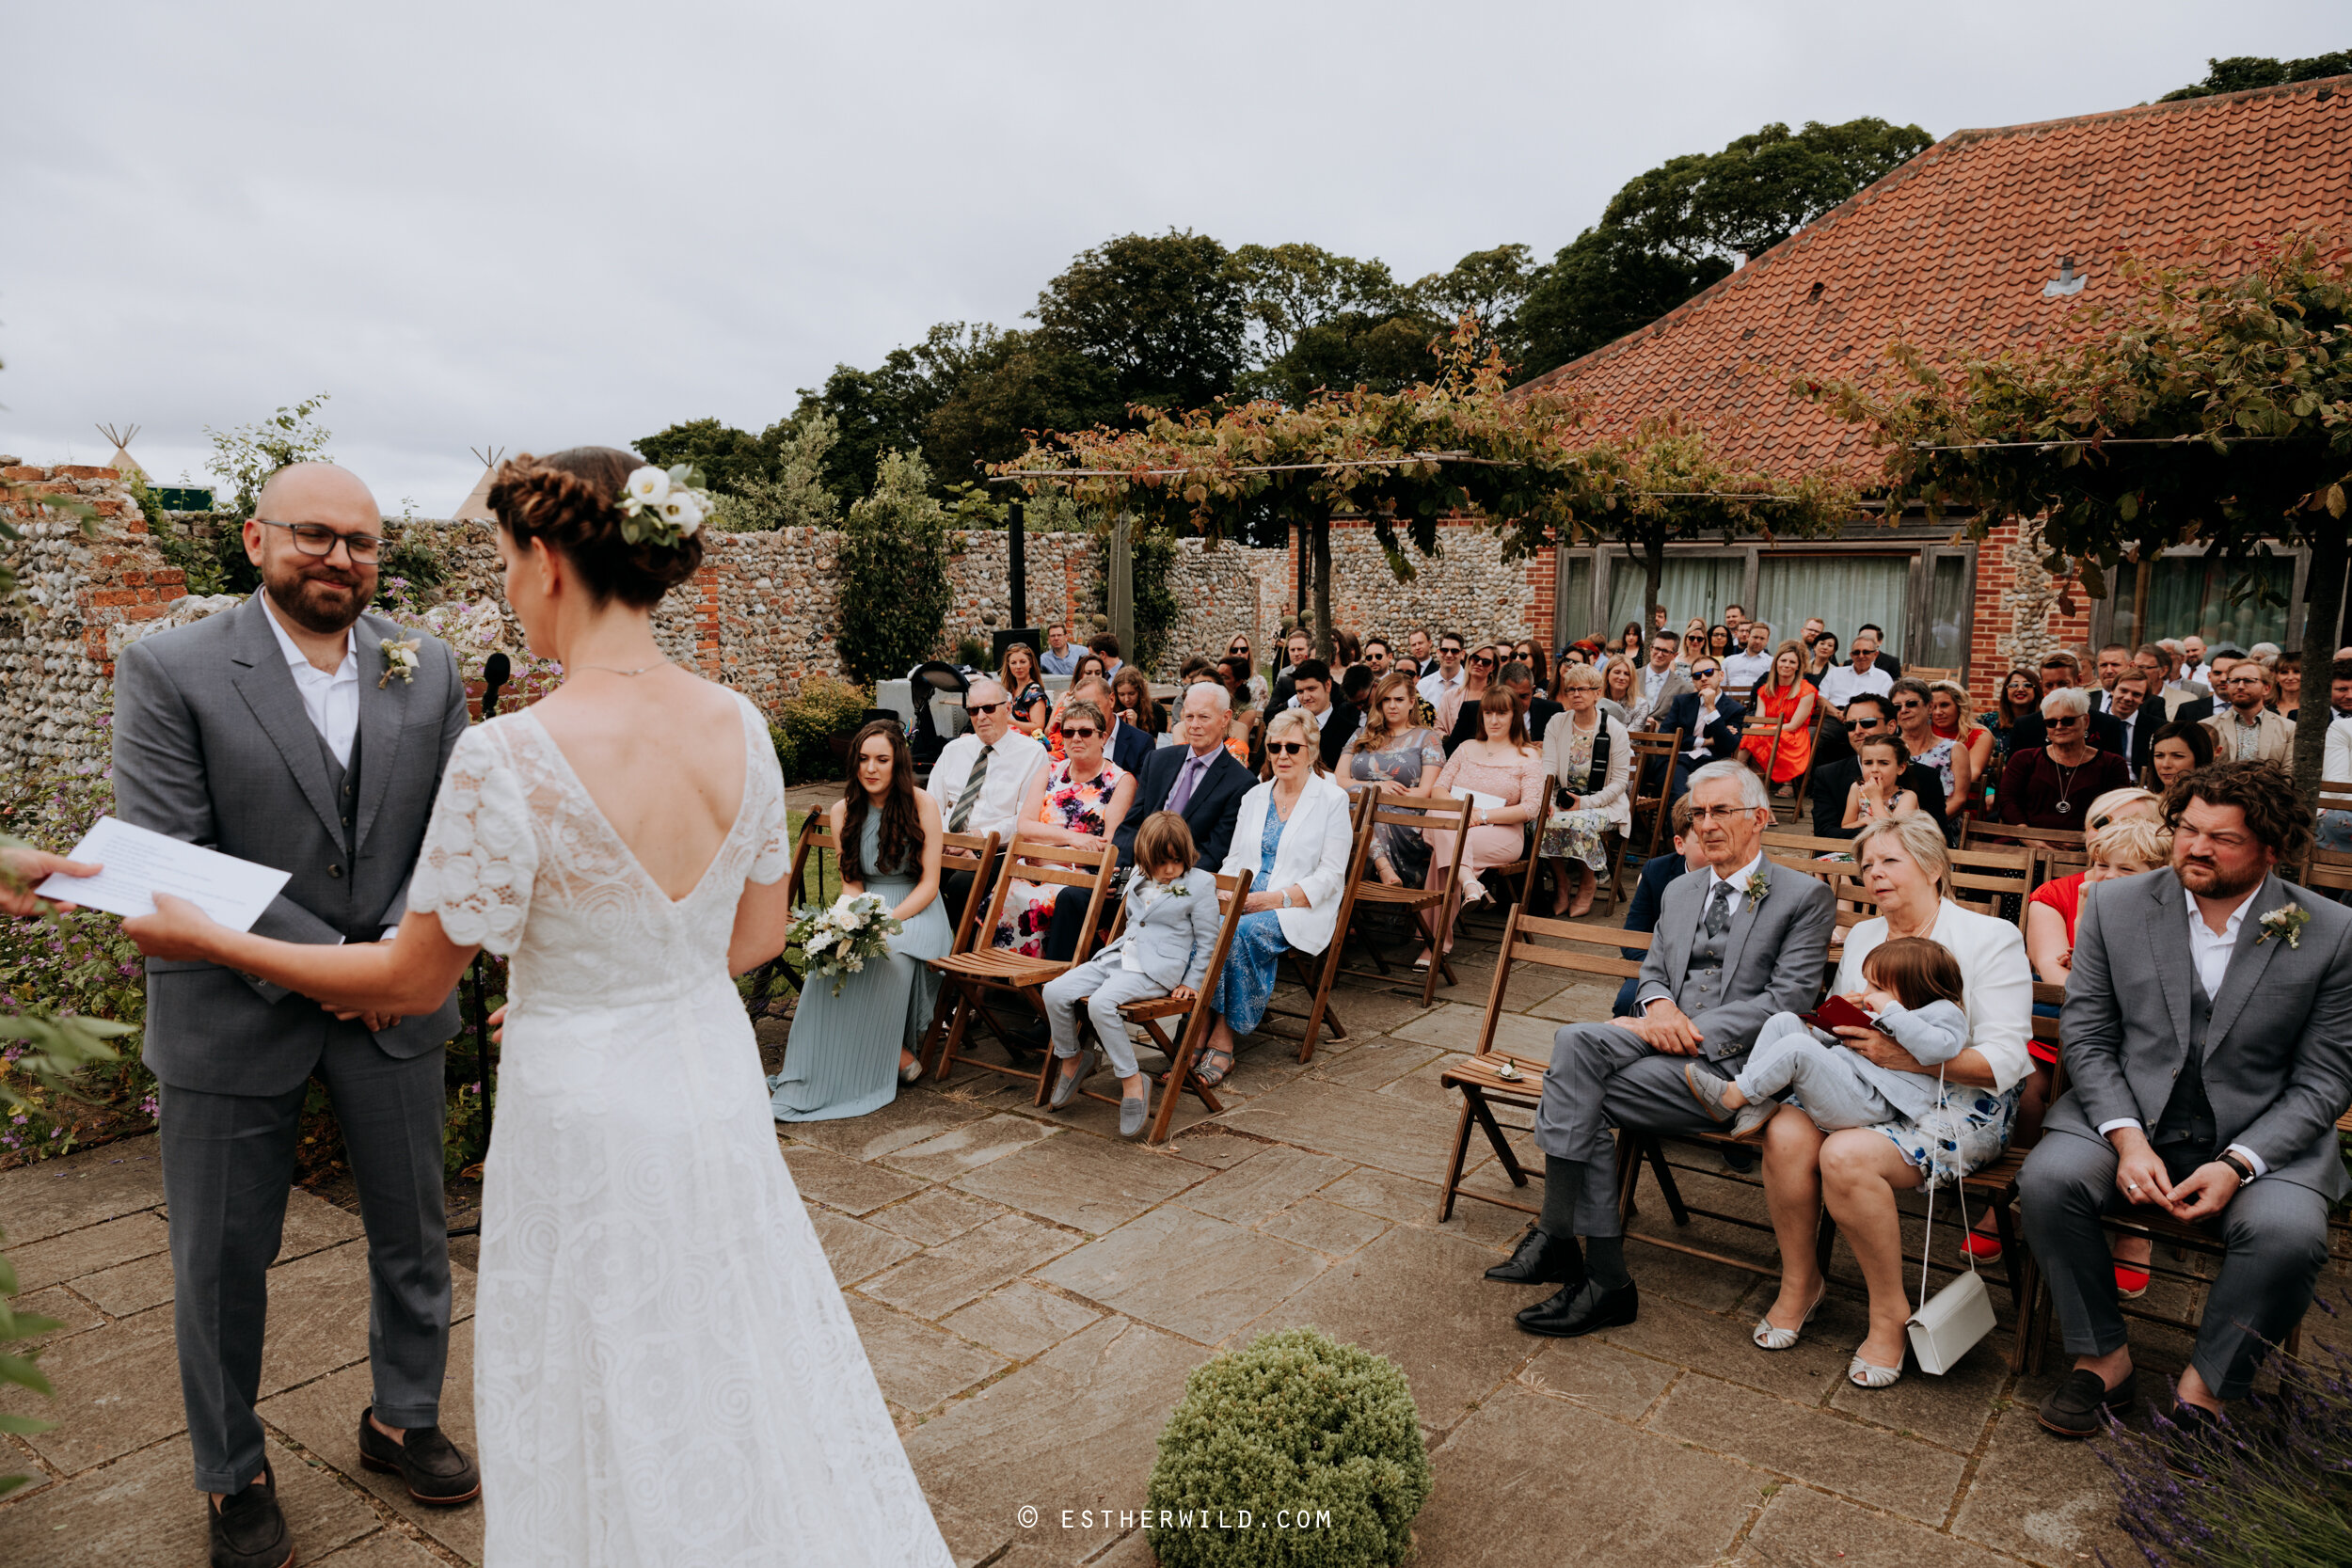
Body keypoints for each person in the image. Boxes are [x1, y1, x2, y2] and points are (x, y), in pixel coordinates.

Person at [120, 448, 952, 1564]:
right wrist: (609, 981)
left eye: (509, 559)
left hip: (583, 1105)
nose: (506, 585)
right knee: (723, 1340)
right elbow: (752, 939)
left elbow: (415, 978)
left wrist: (201, 933)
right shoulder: (741, 723)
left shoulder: (507, 751)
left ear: (551, 560)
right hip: (705, 1083)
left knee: (591, 1365)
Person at [107, 461, 478, 1563]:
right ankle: (234, 1471)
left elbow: (453, 834)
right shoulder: (169, 666)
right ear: (256, 542)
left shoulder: (429, 661)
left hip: (396, 1007)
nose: (339, 557)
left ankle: (402, 1414)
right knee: (219, 1262)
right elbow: (175, 855)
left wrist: (405, 960)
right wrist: (351, 967)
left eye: (361, 541)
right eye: (313, 534)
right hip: (232, 1008)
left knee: (415, 1233)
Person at [2021, 762, 2352, 1445]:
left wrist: (2240, 1162)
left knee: (2289, 1233)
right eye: (2187, 829)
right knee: (2048, 1180)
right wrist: (2127, 1138)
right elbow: (2087, 1034)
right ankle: (2103, 1357)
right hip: (2128, 1110)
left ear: (2272, 847)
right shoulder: (2115, 905)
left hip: (2263, 1131)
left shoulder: (2332, 931)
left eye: (2221, 838)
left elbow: (2326, 1077)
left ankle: (2207, 1389)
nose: (2195, 848)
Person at [1487, 762, 1836, 1338]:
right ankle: (1588, 1267)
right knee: (1573, 1041)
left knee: (1577, 1088)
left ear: (1760, 818)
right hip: (1657, 1041)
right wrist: (1658, 1009)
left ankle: (1580, 1256)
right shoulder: (1678, 889)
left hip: (1730, 1071)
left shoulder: (1804, 896)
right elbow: (1652, 973)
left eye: (1721, 811)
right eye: (1698, 813)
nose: (1706, 825)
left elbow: (1787, 1003)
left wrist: (1686, 1031)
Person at [1752, 814, 2031, 1389]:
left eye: (1890, 861)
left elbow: (2004, 1060)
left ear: (1934, 867)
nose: (1874, 874)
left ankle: (1888, 1314)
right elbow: (1844, 1018)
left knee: (1846, 1156)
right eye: (1867, 865)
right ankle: (1801, 1283)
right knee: (1784, 1130)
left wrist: (1906, 1057)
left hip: (1961, 1100)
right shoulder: (1862, 936)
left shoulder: (1989, 937)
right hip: (1866, 1082)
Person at [770, 721, 950, 1116]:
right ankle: (883, 1056)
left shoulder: (923, 805)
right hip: (866, 904)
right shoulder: (842, 810)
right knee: (829, 962)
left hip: (915, 909)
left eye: (881, 759)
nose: (871, 768)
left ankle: (886, 1055)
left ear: (897, 763)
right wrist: (844, 921)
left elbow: (929, 884)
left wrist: (886, 922)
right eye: (864, 759)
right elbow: (851, 883)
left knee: (886, 955)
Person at [1041, 679, 1253, 964]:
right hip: (1133, 873)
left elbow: (1215, 850)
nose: (1194, 725)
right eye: (1188, 717)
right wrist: (1119, 870)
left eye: (1204, 717)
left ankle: (1105, 987)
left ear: (1226, 719)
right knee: (1072, 899)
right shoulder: (1160, 760)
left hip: (1177, 882)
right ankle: (1057, 994)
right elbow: (1132, 824)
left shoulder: (1240, 783)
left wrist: (1162, 875)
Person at [1196, 708, 1355, 1086]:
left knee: (1240, 932)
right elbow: (1235, 859)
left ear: (1311, 752)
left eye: (1292, 747)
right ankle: (1198, 1022)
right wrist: (1224, 891)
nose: (1282, 755)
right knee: (1202, 922)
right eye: (1274, 746)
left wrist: (1271, 900)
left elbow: (1331, 876)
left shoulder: (1331, 800)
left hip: (1297, 905)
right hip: (1246, 897)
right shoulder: (1253, 795)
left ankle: (1222, 1034)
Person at [1041, 812, 1221, 1137]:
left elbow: (1209, 940)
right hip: (1119, 958)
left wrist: (1192, 983)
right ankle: (1072, 1058)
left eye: (1176, 861)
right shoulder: (1139, 876)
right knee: (1053, 991)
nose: (1169, 870)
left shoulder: (1199, 884)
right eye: (1161, 862)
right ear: (1145, 857)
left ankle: (1132, 1080)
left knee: (1100, 1005)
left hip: (1156, 970)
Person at [1686, 935, 1970, 1137]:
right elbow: (1833, 1046)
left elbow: (1938, 1049)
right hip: (1845, 1083)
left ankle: (1733, 1096)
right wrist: (1833, 1021)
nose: (1868, 992)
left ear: (1917, 991)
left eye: (1878, 986)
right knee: (1783, 1021)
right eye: (1868, 982)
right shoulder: (1884, 1011)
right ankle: (1755, 1102)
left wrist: (1891, 1011)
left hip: (1870, 1102)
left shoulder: (1940, 1013)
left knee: (1797, 1047)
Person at [993, 697, 1134, 958]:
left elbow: (1108, 845)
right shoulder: (1049, 771)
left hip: (1079, 877)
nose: (1076, 738)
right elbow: (1024, 825)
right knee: (1000, 892)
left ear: (1103, 737)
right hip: (1032, 871)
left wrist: (1045, 851)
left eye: (1085, 732)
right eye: (1068, 732)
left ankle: (1040, 985)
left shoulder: (1120, 782)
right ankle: (987, 985)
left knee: (1045, 900)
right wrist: (1074, 839)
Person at [1420, 687, 1548, 962]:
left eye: (1502, 713)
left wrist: (1482, 815)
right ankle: (1468, 884)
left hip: (1500, 834)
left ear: (1515, 715)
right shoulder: (1466, 748)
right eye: (1488, 712)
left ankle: (1433, 942)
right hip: (1455, 826)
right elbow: (1440, 789)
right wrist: (1465, 813)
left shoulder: (1528, 755)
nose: (1494, 720)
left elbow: (1530, 808)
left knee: (1447, 853)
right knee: (1447, 828)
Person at [925, 676, 1049, 920]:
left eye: (989, 708)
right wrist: (944, 840)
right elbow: (931, 804)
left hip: (996, 850)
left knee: (960, 885)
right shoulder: (953, 751)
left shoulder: (1032, 754)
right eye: (973, 710)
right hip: (945, 844)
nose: (981, 716)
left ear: (1008, 708)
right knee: (908, 871)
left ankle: (961, 951)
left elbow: (1024, 819)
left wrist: (976, 839)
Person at [1336, 671, 1449, 886]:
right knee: (1357, 804)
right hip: (1357, 809)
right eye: (1386, 700)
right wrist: (1375, 787)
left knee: (1367, 807)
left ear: (1411, 703)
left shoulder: (1428, 738)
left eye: (1399, 699)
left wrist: (1380, 796)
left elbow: (1426, 792)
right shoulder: (1361, 734)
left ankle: (1378, 873)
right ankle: (1383, 868)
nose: (1392, 705)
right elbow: (1339, 779)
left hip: (1404, 815)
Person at [1539, 663, 1631, 917]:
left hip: (1603, 803)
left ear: (1597, 694)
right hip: (1564, 798)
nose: (1575, 694)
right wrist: (1544, 799)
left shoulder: (1615, 730)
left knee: (1577, 821)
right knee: (1540, 819)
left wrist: (1586, 803)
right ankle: (1562, 883)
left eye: (1582, 689)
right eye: (1570, 689)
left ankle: (1588, 883)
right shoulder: (1557, 722)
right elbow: (1547, 766)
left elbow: (1620, 782)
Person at [1811, 694, 1951, 842]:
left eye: (1867, 723)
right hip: (1844, 854)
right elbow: (1825, 832)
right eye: (1850, 725)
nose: (1857, 730)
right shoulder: (1829, 775)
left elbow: (1937, 835)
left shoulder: (1925, 777)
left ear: (1891, 726)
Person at [1610, 797, 1703, 1017]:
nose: (1714, 847)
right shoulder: (1657, 871)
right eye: (1703, 841)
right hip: (1658, 964)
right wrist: (1660, 967)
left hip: (1711, 971)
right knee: (1627, 1002)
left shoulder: (1740, 876)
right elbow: (1632, 937)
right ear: (1680, 844)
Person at [1998, 689, 2132, 828]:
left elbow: (2118, 808)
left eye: (2068, 721)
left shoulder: (2112, 764)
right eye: (2051, 722)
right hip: (2026, 839)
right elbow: (2007, 801)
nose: (2059, 727)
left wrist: (2087, 837)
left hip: (2089, 842)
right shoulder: (2024, 759)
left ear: (2086, 721)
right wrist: (2028, 837)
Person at [1656, 657, 1747, 801]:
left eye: (1709, 672)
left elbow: (1729, 745)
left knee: (1704, 799)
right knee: (1678, 796)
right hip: (1678, 759)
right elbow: (1665, 737)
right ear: (1693, 681)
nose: (1703, 678)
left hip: (1712, 762)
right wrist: (1706, 741)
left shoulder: (1735, 709)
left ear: (1721, 675)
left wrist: (1711, 708)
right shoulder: (1682, 701)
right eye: (1697, 676)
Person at [1739, 641, 1816, 799]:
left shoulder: (1807, 690)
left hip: (1792, 736)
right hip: (1767, 732)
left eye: (1792, 662)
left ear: (1798, 666)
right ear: (1776, 663)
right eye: (1783, 660)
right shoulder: (1765, 690)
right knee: (1748, 737)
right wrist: (1751, 732)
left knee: (1762, 738)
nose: (1787, 665)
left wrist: (1765, 731)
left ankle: (1753, 782)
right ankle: (1738, 778)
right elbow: (1758, 720)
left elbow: (1794, 725)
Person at [1446, 658, 1559, 757]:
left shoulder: (1551, 711)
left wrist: (1550, 748)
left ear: (1532, 690)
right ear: (1499, 690)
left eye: (1524, 696)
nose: (1517, 703)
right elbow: (1450, 752)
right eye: (1512, 696)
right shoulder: (1472, 711)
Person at [1886, 677, 1955, 829]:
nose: (1904, 710)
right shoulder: (1888, 749)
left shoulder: (1953, 749)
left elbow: (1959, 799)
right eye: (1897, 707)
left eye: (1911, 704)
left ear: (1929, 707)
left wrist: (1922, 827)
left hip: (1938, 825)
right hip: (1889, 824)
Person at [2201, 660, 2295, 763]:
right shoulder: (2207, 726)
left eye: (2248, 681)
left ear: (2266, 688)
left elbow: (2288, 771)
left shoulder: (2288, 729)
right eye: (2235, 681)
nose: (2240, 686)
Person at [1928, 680, 1990, 818]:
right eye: (1932, 706)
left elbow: (1971, 774)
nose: (1937, 712)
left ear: (1960, 705)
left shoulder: (1979, 735)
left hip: (1961, 806)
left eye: (1945, 705)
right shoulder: (1924, 731)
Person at [1288, 657, 1361, 770]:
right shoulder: (1287, 726)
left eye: (1311, 689)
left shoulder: (1350, 732)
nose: (1306, 697)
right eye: (1300, 691)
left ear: (1328, 685)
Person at [1843, 734, 1919, 830]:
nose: (1874, 769)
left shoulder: (1908, 797)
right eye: (1868, 763)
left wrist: (1875, 798)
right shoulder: (1857, 789)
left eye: (1884, 763)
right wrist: (1864, 821)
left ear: (1900, 768)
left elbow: (1894, 834)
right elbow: (1845, 827)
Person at [1981, 667, 2043, 776]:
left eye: (2027, 685)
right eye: (2013, 685)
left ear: (2037, 689)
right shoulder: (1986, 721)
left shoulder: (2047, 722)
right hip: (1991, 785)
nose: (2020, 689)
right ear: (2006, 691)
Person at [1817, 629, 1894, 717]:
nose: (1861, 656)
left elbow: (1886, 706)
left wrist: (1856, 716)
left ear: (1875, 655)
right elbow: (1821, 698)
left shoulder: (1883, 678)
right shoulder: (1835, 673)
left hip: (1867, 720)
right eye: (1856, 652)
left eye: (1866, 652)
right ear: (1851, 655)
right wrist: (1837, 714)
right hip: (1834, 716)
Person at [1630, 630, 1694, 735]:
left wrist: (1659, 727)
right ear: (1651, 649)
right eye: (1657, 649)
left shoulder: (1684, 688)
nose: (1659, 654)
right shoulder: (1631, 677)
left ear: (1674, 655)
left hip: (1661, 743)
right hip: (1628, 738)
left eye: (1665, 651)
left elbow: (1682, 725)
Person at [2144, 720, 2216, 794]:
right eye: (2159, 755)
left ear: (2200, 758)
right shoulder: (2141, 802)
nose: (2165, 764)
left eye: (2177, 756)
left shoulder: (2217, 803)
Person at [1217, 654, 1264, 768]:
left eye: (1225, 677)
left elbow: (1235, 743)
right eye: (1217, 675)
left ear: (1238, 682)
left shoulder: (1247, 711)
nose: (1218, 680)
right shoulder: (1210, 699)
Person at [998, 640, 1049, 734]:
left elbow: (1038, 727)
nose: (1018, 666)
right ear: (1008, 665)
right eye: (1013, 663)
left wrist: (1008, 721)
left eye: (1022, 662)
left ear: (1030, 664)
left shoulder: (1035, 693)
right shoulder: (1009, 690)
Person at [1417, 631, 1467, 716]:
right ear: (1438, 652)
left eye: (1454, 651)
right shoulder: (1423, 685)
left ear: (1462, 654)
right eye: (1444, 650)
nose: (1449, 655)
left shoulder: (1472, 684)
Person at [1722, 621, 1774, 695]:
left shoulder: (1772, 662)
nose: (1758, 641)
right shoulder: (1729, 660)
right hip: (1730, 704)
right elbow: (1721, 685)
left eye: (1762, 638)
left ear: (1767, 641)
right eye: (1755, 637)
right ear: (1748, 636)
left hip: (1757, 704)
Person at [1111, 663, 1164, 737]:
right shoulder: (1113, 710)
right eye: (1122, 694)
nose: (1127, 699)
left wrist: (1134, 728)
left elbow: (1156, 746)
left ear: (1140, 692)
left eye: (1131, 694)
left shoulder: (1156, 711)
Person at [1227, 633, 1271, 706]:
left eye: (1243, 650)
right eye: (1234, 650)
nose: (1239, 653)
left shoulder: (1260, 682)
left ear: (1249, 653)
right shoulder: (1221, 681)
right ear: (1229, 653)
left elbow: (1261, 712)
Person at [1597, 655, 1640, 727]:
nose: (1622, 677)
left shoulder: (1640, 705)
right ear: (1607, 674)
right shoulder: (1595, 699)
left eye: (1627, 674)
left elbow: (1632, 737)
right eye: (1617, 672)